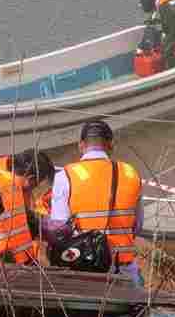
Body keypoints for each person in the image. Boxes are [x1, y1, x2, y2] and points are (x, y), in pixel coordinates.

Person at [42, 120, 143, 284]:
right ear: (111, 145)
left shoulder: (65, 176)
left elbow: (59, 230)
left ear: (81, 145)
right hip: (123, 268)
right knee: (135, 304)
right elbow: (137, 226)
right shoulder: (130, 173)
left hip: (85, 267)